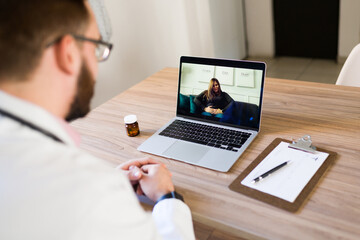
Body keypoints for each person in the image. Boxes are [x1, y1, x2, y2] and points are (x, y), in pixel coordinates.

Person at [0, 1, 195, 239]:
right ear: (69, 54)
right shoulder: (87, 189)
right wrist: (166, 197)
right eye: (96, 47)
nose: (97, 64)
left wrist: (110, 183)